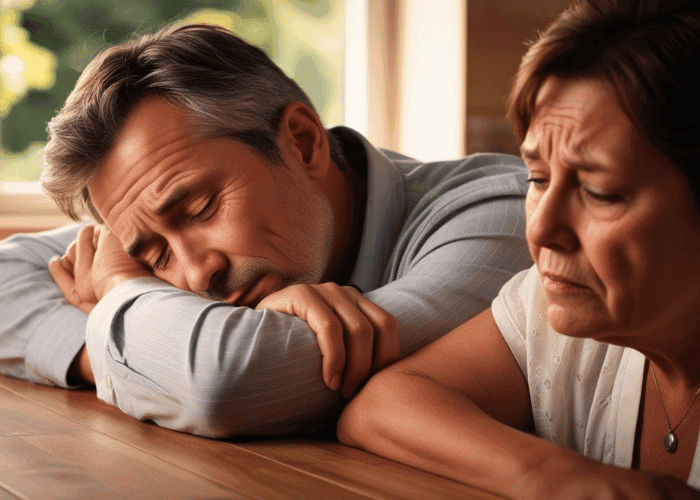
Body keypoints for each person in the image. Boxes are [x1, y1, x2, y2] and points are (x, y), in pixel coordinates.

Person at [0, 24, 532, 437]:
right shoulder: (164, 218)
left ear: (301, 143)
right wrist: (112, 349)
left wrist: (118, 294)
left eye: (203, 208)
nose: (196, 272)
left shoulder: (501, 216)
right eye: (155, 256)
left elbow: (232, 380)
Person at [337, 0, 700, 497]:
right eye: (537, 178)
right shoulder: (557, 304)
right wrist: (556, 475)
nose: (543, 228)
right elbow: (381, 406)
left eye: (600, 192)